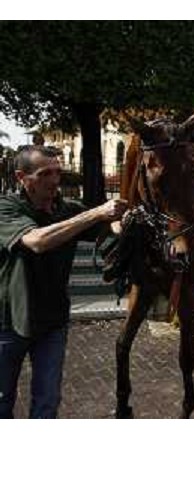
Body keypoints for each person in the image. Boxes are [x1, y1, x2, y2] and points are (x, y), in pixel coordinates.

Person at [0, 145, 127, 418]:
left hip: (52, 321)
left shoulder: (66, 209)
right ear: (23, 177)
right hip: (8, 322)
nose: (55, 180)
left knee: (48, 401)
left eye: (58, 172)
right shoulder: (6, 207)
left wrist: (120, 222)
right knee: (2, 400)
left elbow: (107, 232)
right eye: (45, 174)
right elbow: (37, 241)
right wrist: (95, 213)